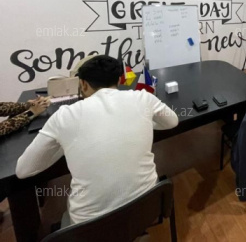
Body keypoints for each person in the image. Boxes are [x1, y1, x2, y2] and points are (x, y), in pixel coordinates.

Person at [16, 55, 179, 226]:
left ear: (83, 84)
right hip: (148, 208)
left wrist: (64, 144)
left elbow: (23, 170)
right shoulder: (144, 98)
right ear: (119, 79)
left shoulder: (64, 116)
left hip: (90, 229)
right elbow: (172, 121)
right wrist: (143, 122)